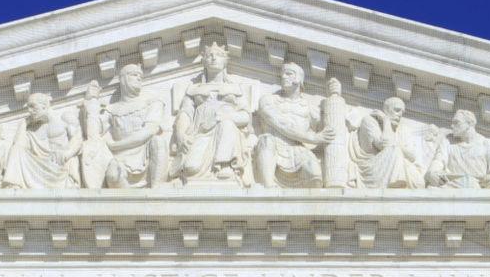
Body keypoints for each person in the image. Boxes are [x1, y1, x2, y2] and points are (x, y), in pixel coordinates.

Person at [170, 40, 253, 185]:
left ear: (225, 61)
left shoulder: (236, 89)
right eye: (209, 55)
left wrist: (228, 116)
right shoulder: (194, 89)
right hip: (201, 132)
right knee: (190, 168)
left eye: (219, 55)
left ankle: (225, 164)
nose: (214, 58)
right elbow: (185, 114)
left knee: (226, 123)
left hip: (227, 133)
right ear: (204, 61)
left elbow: (245, 116)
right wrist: (181, 135)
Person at [81, 65, 171, 189]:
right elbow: (93, 135)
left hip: (145, 154)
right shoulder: (111, 110)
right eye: (134, 75)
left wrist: (114, 145)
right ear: (122, 79)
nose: (139, 78)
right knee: (112, 175)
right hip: (119, 159)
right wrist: (92, 101)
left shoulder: (152, 102)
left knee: (159, 142)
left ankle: (157, 193)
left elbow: (150, 130)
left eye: (140, 76)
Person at [253, 63, 327, 188]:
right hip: (273, 146)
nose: (283, 76)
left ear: (299, 78)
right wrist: (313, 138)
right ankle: (268, 188)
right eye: (282, 73)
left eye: (288, 74)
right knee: (266, 140)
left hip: (299, 150)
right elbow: (282, 124)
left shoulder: (309, 107)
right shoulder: (268, 100)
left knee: (316, 178)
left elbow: (326, 130)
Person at [3, 92, 83, 189]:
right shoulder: (32, 129)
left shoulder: (63, 119)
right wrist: (23, 124)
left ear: (44, 106)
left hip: (61, 164)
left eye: (33, 106)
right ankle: (14, 185)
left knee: (72, 159)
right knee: (16, 149)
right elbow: (18, 146)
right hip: (39, 167)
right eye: (28, 107)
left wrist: (67, 154)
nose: (29, 111)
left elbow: (78, 139)